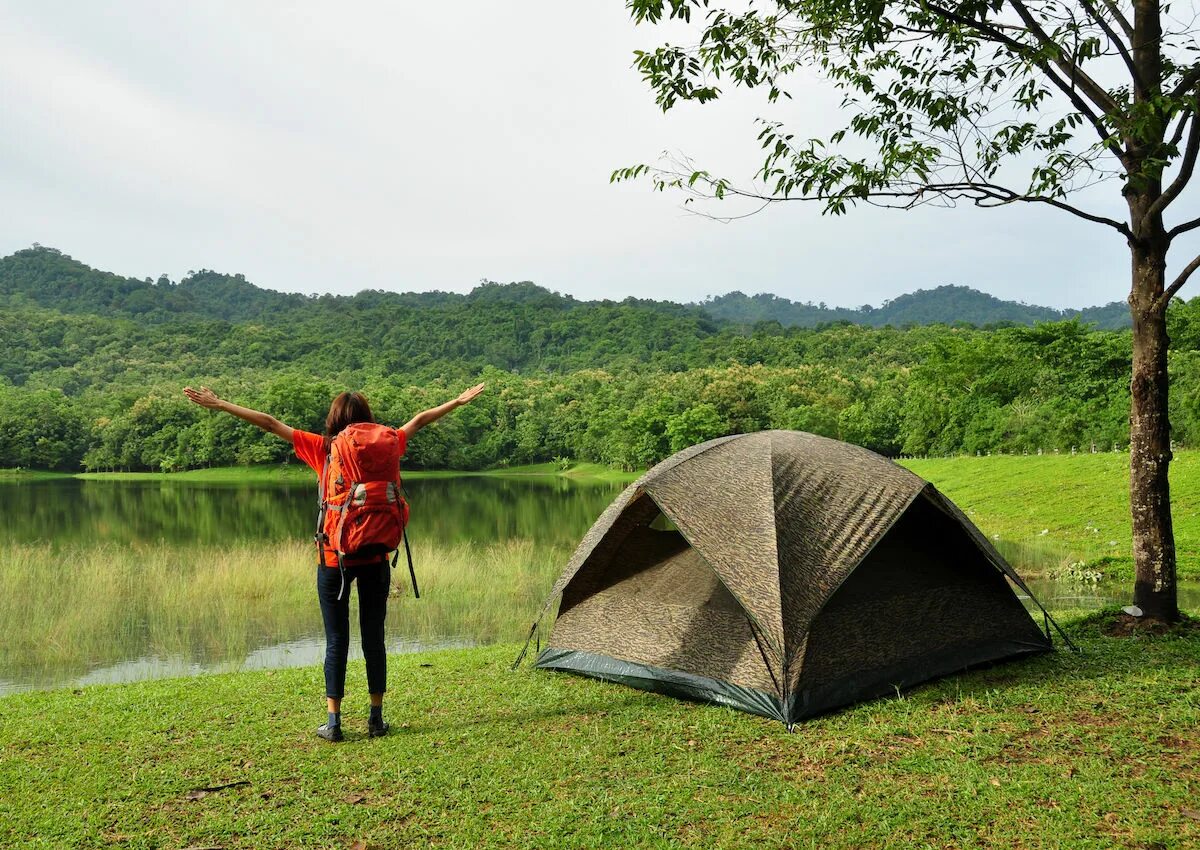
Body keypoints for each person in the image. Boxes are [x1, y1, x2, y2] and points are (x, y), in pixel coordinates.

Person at [183, 382, 485, 741]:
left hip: (333, 557)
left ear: (334, 419)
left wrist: (221, 404)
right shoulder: (389, 442)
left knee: (336, 639)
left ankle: (334, 723)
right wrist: (458, 400)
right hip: (376, 555)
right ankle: (375, 719)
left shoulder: (324, 448)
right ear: (368, 420)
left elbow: (269, 422)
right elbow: (419, 420)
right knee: (374, 637)